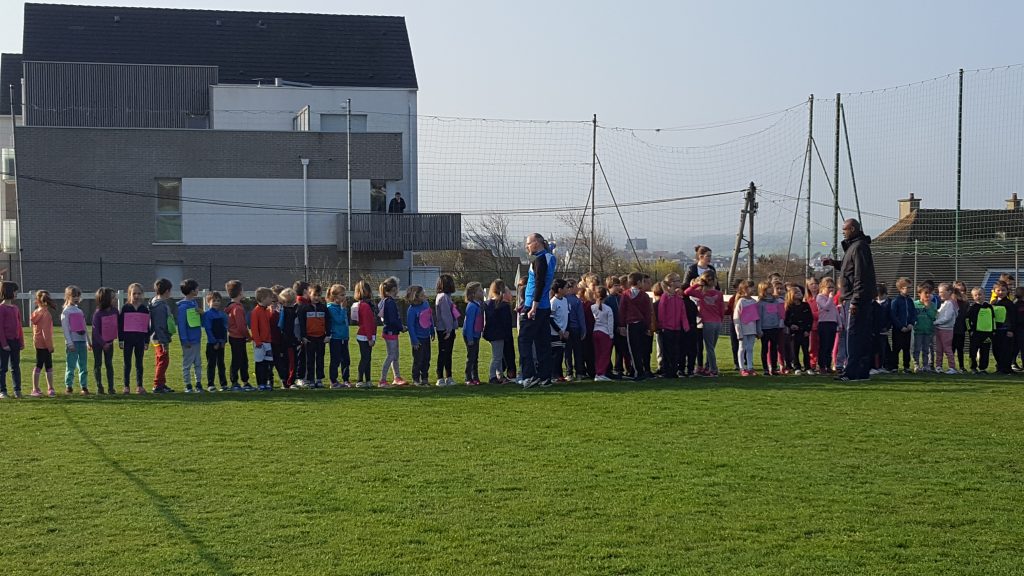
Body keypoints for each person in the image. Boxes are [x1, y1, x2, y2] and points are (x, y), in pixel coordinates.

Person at [519, 233, 557, 389]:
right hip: (544, 306)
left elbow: (539, 283)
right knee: (543, 342)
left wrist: (533, 306)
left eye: (528, 243)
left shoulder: (540, 260)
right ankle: (544, 376)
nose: (526, 246)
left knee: (524, 340)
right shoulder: (550, 257)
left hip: (534, 306)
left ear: (537, 242)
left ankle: (529, 375)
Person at [683, 245, 717, 373]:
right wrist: (695, 285)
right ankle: (699, 364)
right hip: (695, 305)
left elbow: (716, 286)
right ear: (700, 256)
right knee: (698, 338)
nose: (710, 258)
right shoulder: (692, 269)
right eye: (708, 256)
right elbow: (686, 287)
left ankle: (709, 365)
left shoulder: (711, 269)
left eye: (710, 256)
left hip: (708, 306)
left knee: (709, 339)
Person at [683, 271, 724, 377]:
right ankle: (708, 366)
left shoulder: (701, 293)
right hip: (717, 322)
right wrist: (721, 320)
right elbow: (721, 309)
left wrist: (697, 284)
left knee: (709, 347)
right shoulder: (719, 294)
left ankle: (713, 369)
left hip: (708, 322)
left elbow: (687, 292)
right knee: (712, 347)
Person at [618, 272, 652, 381]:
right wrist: (648, 326)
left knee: (633, 349)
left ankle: (638, 372)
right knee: (640, 348)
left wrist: (621, 325)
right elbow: (648, 312)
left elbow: (622, 311)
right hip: (641, 323)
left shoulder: (625, 295)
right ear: (638, 282)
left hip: (630, 324)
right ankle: (637, 371)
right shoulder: (644, 296)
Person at [118, 283, 151, 395]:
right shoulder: (126, 308)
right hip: (128, 340)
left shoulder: (144, 309)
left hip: (140, 340)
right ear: (129, 294)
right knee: (127, 363)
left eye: (139, 293)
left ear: (142, 294)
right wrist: (121, 340)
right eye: (134, 293)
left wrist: (147, 341)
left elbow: (147, 327)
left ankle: (139, 386)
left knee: (139, 363)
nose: (136, 296)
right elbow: (121, 325)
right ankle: (126, 386)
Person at [177, 279, 204, 393]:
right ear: (192, 291)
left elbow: (199, 320)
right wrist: (184, 339)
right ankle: (188, 385)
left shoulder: (194, 303)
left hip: (196, 338)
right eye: (197, 288)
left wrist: (201, 313)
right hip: (188, 340)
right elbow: (181, 325)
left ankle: (198, 383)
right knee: (187, 363)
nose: (198, 290)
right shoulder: (183, 307)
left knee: (198, 363)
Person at [62, 285, 90, 395]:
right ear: (68, 297)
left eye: (78, 296)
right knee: (71, 365)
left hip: (82, 342)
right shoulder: (66, 312)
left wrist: (88, 341)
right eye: (73, 296)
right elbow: (65, 329)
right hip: (73, 342)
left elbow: (84, 326)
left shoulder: (80, 311)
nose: (76, 298)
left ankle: (84, 386)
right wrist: (70, 343)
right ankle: (69, 386)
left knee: (83, 365)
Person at [377, 277, 405, 387]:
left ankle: (397, 377)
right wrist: (401, 327)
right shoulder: (389, 302)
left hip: (391, 331)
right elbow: (393, 320)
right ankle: (382, 380)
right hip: (391, 332)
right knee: (391, 355)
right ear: (394, 289)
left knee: (395, 355)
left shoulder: (385, 301)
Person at [483, 279, 512, 384]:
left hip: (490, 333)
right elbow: (506, 322)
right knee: (497, 357)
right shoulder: (503, 305)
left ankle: (499, 374)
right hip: (499, 334)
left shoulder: (487, 304)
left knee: (497, 355)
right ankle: (492, 376)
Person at [225, 280, 252, 391]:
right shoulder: (238, 308)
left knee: (239, 359)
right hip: (238, 337)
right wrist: (248, 336)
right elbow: (241, 326)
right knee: (240, 360)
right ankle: (237, 381)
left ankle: (242, 381)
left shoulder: (231, 306)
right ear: (240, 292)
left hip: (233, 336)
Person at [91, 287, 119, 395]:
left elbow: (117, 325)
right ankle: (99, 387)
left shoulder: (115, 311)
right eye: (113, 297)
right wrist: (103, 343)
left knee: (109, 364)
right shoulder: (98, 314)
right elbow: (95, 331)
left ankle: (111, 387)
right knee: (98, 364)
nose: (115, 299)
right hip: (98, 344)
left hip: (110, 343)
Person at [149, 279, 174, 393]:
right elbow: (159, 325)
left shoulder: (156, 303)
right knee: (163, 360)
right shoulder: (160, 306)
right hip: (160, 338)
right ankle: (157, 384)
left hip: (158, 337)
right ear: (167, 291)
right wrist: (163, 341)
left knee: (161, 360)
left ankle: (162, 383)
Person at [0, 281, 24, 399]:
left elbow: (19, 326)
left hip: (15, 341)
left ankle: (17, 390)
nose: (16, 293)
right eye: (15, 291)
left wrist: (21, 341)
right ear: (9, 291)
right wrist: (4, 343)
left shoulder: (15, 308)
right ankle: (2, 391)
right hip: (4, 342)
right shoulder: (1, 308)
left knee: (15, 367)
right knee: (3, 368)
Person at [30, 290, 56, 397]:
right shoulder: (46, 314)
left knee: (39, 364)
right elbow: (46, 333)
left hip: (38, 343)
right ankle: (48, 388)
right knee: (47, 366)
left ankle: (36, 388)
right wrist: (50, 346)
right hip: (45, 344)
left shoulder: (36, 312)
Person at [405, 285, 433, 387]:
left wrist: (432, 330)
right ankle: (416, 379)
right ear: (415, 297)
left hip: (426, 337)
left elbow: (429, 318)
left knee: (427, 358)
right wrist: (414, 340)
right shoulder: (412, 310)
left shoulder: (426, 304)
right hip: (418, 339)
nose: (425, 296)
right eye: (422, 295)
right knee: (418, 359)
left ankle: (425, 378)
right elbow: (411, 326)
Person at [657, 276, 684, 379]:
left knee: (675, 350)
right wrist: (662, 325)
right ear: (671, 283)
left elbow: (682, 313)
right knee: (667, 350)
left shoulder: (678, 297)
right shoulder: (665, 296)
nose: (680, 283)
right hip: (667, 328)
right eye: (678, 281)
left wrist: (684, 325)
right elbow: (661, 311)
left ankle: (674, 371)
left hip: (676, 328)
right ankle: (667, 371)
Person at [888, 277, 917, 374]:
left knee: (906, 349)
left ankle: (906, 366)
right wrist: (900, 326)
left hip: (908, 328)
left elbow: (913, 313)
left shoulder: (910, 301)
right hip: (898, 329)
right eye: (907, 287)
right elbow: (893, 315)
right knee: (896, 348)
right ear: (900, 288)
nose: (909, 289)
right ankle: (894, 366)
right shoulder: (896, 301)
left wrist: (911, 323)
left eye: (910, 287)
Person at [202, 291, 229, 391]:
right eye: (214, 301)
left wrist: (223, 341)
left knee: (221, 364)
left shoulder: (222, 315)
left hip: (221, 343)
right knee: (211, 364)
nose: (216, 303)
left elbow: (224, 328)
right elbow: (208, 329)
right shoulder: (207, 314)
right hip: (212, 344)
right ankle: (211, 384)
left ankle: (223, 384)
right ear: (208, 302)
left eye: (218, 301)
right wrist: (214, 342)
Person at [326, 284, 352, 389]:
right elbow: (339, 320)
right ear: (334, 296)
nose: (344, 297)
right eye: (342, 295)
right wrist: (343, 308)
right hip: (335, 338)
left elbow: (345, 322)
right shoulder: (331, 308)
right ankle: (333, 380)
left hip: (343, 337)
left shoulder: (341, 307)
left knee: (346, 360)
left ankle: (346, 379)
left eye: (344, 295)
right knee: (335, 360)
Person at [434, 274, 458, 387]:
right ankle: (440, 377)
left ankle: (449, 376)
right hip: (444, 329)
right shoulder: (443, 297)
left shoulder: (446, 296)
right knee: (443, 353)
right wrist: (449, 330)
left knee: (448, 353)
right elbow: (446, 315)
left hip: (447, 329)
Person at [733, 279, 760, 376]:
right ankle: (742, 368)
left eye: (752, 287)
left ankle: (750, 367)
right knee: (742, 348)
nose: (752, 289)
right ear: (744, 289)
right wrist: (739, 332)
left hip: (752, 330)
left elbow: (757, 318)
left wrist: (757, 330)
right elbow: (736, 318)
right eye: (749, 287)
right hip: (743, 330)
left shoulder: (754, 302)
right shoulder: (741, 302)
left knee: (750, 349)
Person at [757, 280, 785, 376]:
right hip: (765, 329)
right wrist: (759, 329)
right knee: (765, 349)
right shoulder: (761, 303)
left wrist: (778, 324)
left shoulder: (776, 301)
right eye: (768, 288)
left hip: (775, 328)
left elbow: (778, 314)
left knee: (774, 348)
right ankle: (765, 368)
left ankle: (774, 368)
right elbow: (759, 317)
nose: (770, 289)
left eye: (771, 287)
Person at [251, 287, 276, 391]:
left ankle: (266, 382)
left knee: (267, 363)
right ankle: (260, 383)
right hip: (260, 343)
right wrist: (257, 342)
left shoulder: (266, 310)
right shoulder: (256, 311)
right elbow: (254, 328)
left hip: (267, 341)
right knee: (260, 363)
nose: (271, 300)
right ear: (263, 298)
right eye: (270, 297)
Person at [353, 280, 377, 388]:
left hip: (365, 335)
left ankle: (368, 380)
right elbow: (367, 323)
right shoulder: (365, 306)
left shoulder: (360, 305)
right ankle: (360, 380)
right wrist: (370, 338)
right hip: (365, 336)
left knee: (367, 358)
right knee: (365, 358)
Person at [784, 285, 813, 374]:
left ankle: (808, 367)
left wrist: (807, 330)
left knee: (806, 351)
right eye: (796, 292)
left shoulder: (805, 305)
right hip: (794, 333)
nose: (799, 294)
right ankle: (797, 367)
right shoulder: (789, 307)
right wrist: (791, 325)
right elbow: (786, 320)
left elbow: (810, 318)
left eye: (800, 292)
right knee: (795, 350)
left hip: (804, 332)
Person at [967, 287, 994, 374]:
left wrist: (993, 330)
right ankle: (973, 368)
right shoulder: (972, 308)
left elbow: (993, 319)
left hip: (987, 334)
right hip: (975, 334)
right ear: (973, 297)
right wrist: (970, 330)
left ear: (984, 295)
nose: (978, 296)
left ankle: (983, 368)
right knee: (973, 351)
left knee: (985, 352)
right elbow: (967, 320)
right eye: (975, 295)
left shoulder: (989, 307)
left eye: (980, 294)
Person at [815, 277, 840, 374]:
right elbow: (826, 307)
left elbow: (835, 311)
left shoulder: (831, 299)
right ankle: (822, 366)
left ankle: (828, 365)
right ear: (823, 287)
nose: (831, 289)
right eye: (829, 287)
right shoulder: (820, 297)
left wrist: (839, 323)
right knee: (824, 346)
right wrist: (830, 298)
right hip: (824, 323)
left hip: (832, 323)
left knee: (830, 346)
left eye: (832, 287)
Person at [933, 282, 959, 374]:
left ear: (949, 292)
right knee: (939, 349)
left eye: (941, 292)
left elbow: (947, 318)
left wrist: (935, 322)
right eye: (939, 292)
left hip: (946, 330)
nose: (939, 294)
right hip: (939, 329)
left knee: (947, 349)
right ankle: (938, 366)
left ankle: (952, 367)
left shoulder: (950, 303)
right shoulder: (945, 303)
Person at [991, 280, 1016, 375]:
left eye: (1003, 290)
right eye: (998, 290)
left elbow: (1013, 318)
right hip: (996, 330)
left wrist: (1011, 330)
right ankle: (999, 367)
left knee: (1006, 350)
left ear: (1007, 291)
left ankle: (1006, 368)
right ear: (994, 291)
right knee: (996, 349)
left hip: (1006, 330)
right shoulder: (993, 302)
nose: (1001, 292)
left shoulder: (1009, 304)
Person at [563, 279, 586, 381]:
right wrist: (583, 330)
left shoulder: (563, 299)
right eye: (576, 286)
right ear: (570, 288)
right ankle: (579, 372)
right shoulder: (577, 301)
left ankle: (569, 373)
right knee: (577, 351)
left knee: (567, 352)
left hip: (566, 328)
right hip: (576, 328)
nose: (578, 288)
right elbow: (581, 317)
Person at [462, 281, 484, 386]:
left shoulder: (478, 305)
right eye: (480, 291)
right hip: (470, 335)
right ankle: (468, 377)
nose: (482, 292)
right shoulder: (471, 306)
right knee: (471, 357)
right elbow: (469, 324)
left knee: (475, 357)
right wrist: (470, 338)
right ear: (473, 294)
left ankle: (475, 377)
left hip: (476, 335)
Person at [277, 288, 299, 388]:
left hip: (284, 340)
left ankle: (285, 380)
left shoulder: (283, 311)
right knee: (291, 362)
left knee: (285, 361)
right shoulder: (290, 312)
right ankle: (290, 382)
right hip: (289, 340)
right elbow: (287, 327)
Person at [548, 279, 569, 384]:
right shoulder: (553, 302)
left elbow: (567, 316)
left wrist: (567, 330)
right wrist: (559, 331)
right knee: (555, 355)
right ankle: (554, 375)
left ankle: (559, 375)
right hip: (555, 334)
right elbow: (551, 319)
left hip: (564, 333)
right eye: (565, 287)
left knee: (560, 355)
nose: (567, 289)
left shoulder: (565, 300)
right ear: (560, 289)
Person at [592, 286, 615, 382]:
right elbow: (610, 323)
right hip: (605, 333)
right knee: (605, 354)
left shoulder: (592, 307)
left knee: (597, 354)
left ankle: (598, 372)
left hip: (595, 331)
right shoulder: (608, 309)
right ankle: (600, 373)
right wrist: (611, 335)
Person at [913, 283, 937, 373]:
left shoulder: (933, 305)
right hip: (918, 331)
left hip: (928, 331)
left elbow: (933, 317)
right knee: (917, 349)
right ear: (919, 293)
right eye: (925, 293)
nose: (928, 295)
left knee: (926, 349)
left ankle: (925, 365)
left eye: (929, 293)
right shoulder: (915, 304)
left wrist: (927, 307)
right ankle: (916, 364)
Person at [871, 283, 892, 375]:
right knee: (875, 350)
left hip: (883, 330)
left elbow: (889, 317)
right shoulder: (873, 304)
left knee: (883, 349)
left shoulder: (888, 303)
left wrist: (887, 327)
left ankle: (882, 366)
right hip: (874, 331)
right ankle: (875, 366)